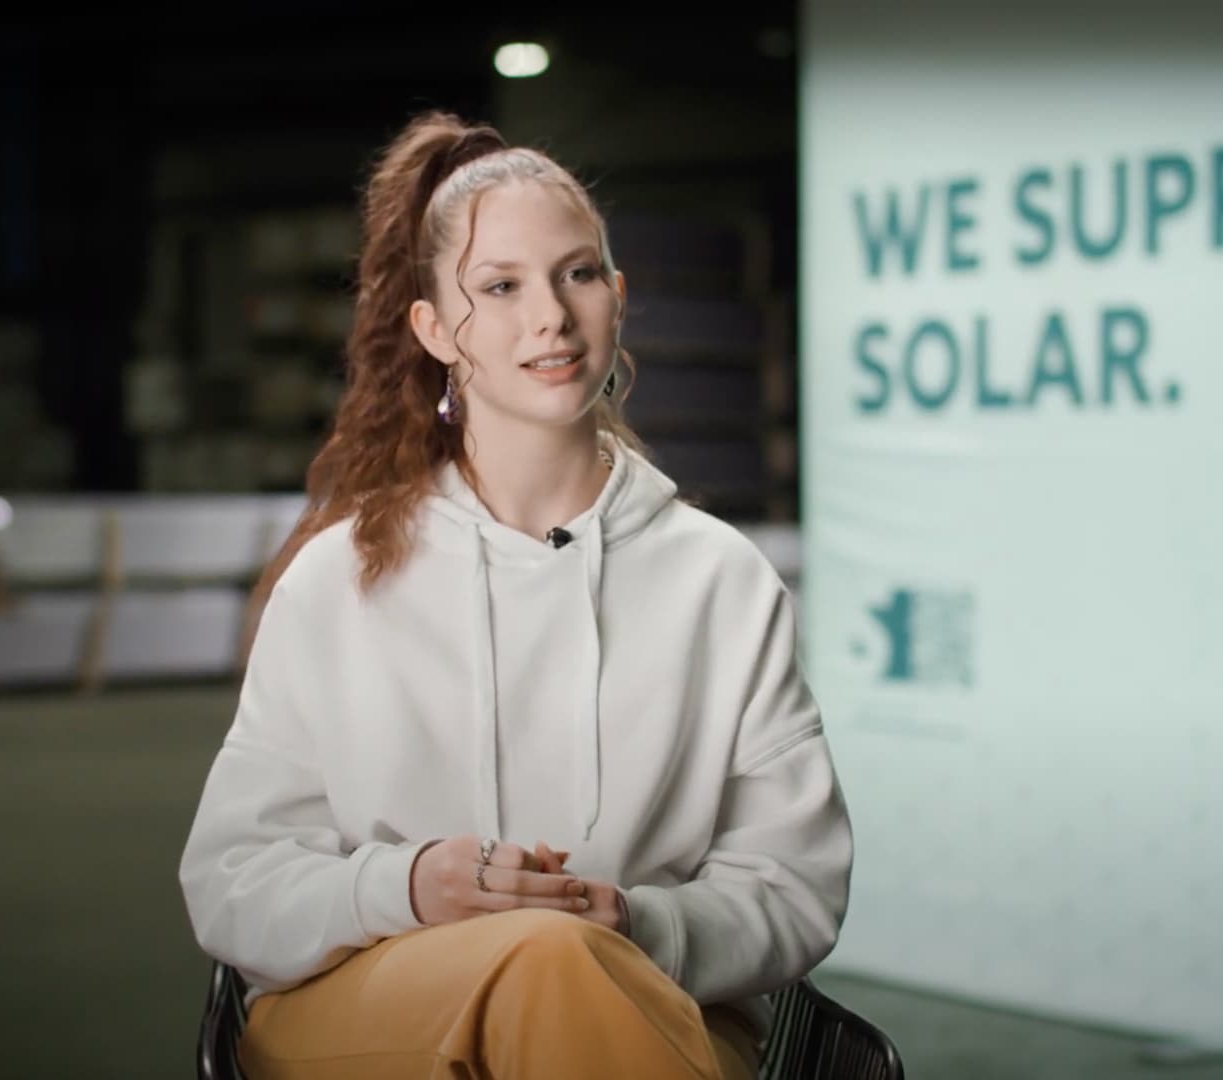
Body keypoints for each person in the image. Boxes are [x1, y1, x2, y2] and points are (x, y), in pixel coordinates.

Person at [178, 111, 854, 1080]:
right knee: (546, 960)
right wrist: (408, 886)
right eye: (500, 286)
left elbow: (794, 888)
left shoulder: (723, 582)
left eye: (577, 274)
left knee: (559, 964)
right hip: (370, 1002)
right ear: (435, 329)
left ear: (617, 297)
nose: (551, 315)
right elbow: (232, 883)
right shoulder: (336, 582)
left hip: (645, 995)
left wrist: (635, 922)